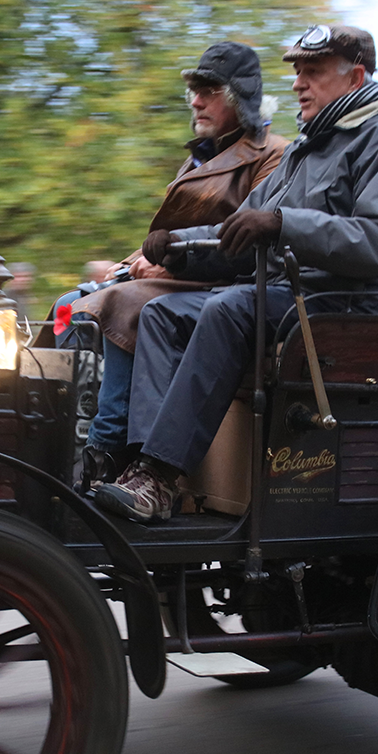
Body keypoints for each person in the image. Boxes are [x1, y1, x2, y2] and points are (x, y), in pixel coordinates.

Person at [96, 24, 378, 523]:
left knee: (229, 307)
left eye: (312, 71)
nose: (297, 83)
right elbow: (241, 236)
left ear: (356, 76)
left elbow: (377, 244)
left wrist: (285, 224)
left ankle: (158, 473)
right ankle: (147, 474)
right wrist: (180, 249)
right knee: (162, 313)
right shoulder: (308, 151)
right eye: (296, 72)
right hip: (293, 297)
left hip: (350, 309)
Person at [57, 41, 289, 488]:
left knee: (123, 307)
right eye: (193, 91)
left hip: (213, 281)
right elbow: (167, 230)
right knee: (70, 306)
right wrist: (130, 261)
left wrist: (172, 265)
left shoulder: (273, 155)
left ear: (239, 97)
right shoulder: (202, 155)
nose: (196, 101)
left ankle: (107, 452)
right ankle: (66, 435)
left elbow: (243, 240)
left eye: (208, 90)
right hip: (173, 273)